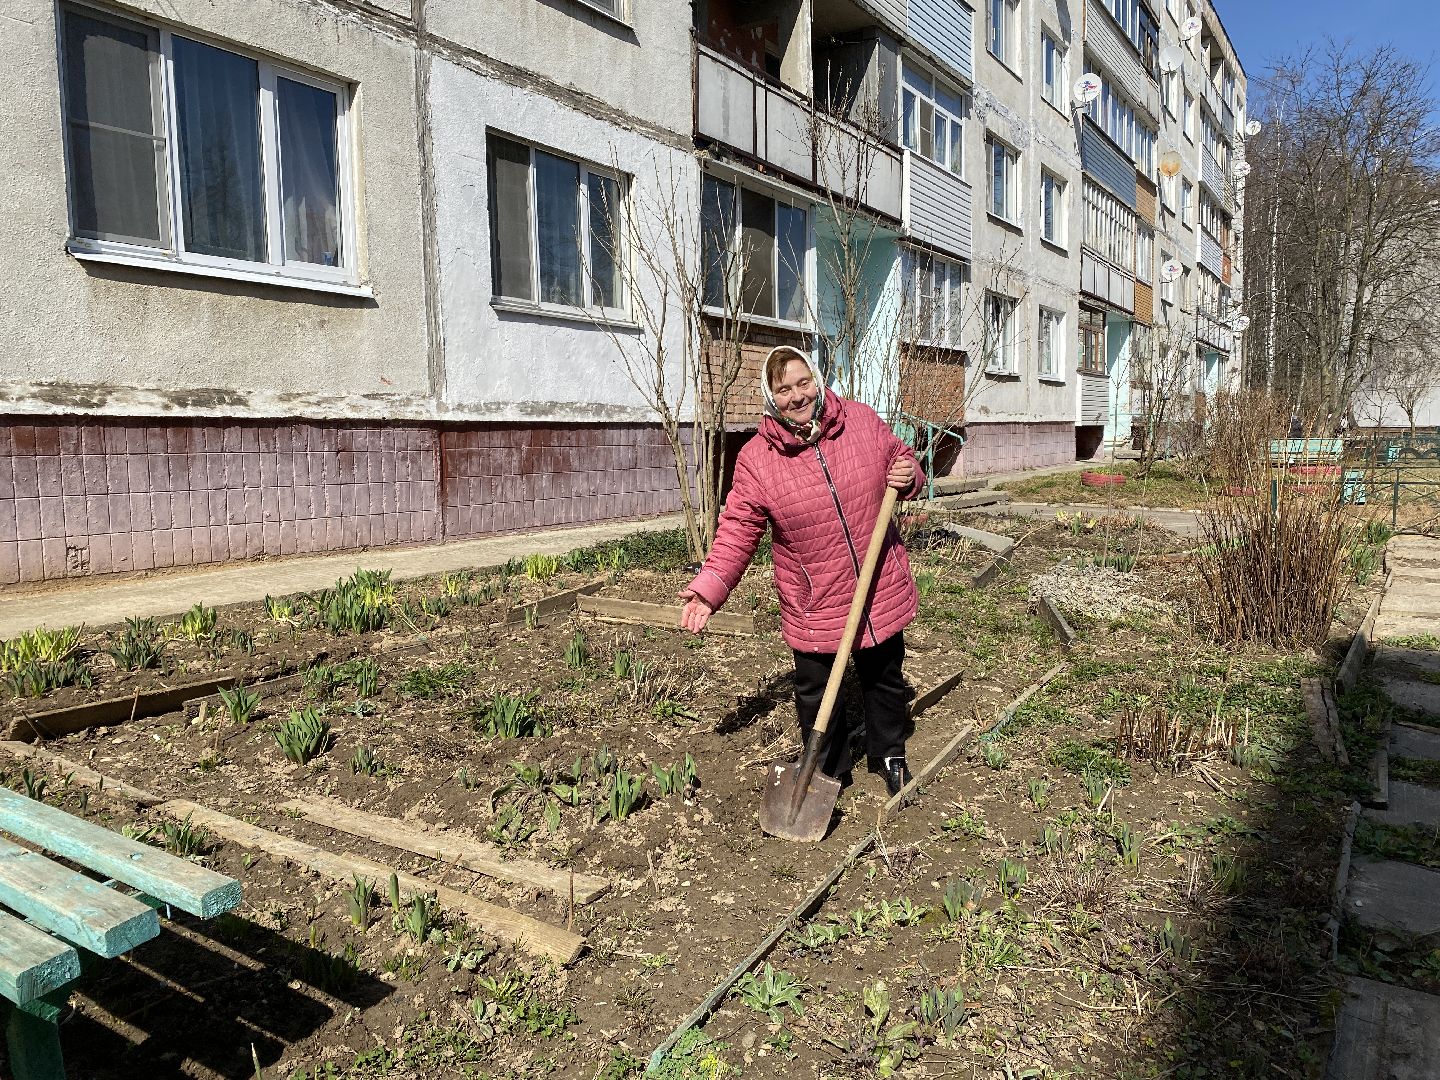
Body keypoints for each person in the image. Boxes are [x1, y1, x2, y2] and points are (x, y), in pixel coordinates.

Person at [678, 345, 925, 796]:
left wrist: (910, 476)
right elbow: (737, 530)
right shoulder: (757, 459)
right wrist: (709, 588)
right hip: (815, 598)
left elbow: (902, 461)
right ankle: (828, 775)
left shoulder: (861, 421)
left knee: (884, 678)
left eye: (803, 382)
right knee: (815, 694)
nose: (797, 396)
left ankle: (891, 756)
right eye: (784, 388)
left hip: (877, 585)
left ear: (817, 378)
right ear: (771, 397)